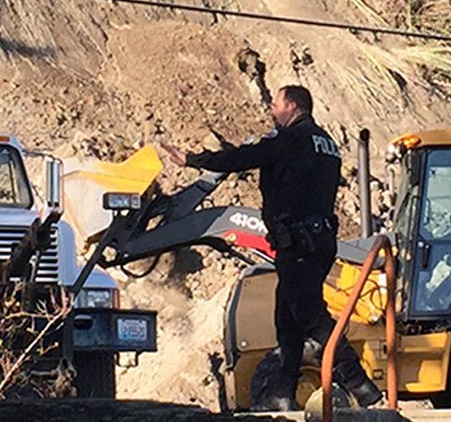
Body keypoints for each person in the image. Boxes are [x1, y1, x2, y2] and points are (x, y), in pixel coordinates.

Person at [161, 85, 381, 411]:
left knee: (309, 314)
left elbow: (243, 158)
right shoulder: (327, 143)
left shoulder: (290, 139)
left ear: (292, 106)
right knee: (287, 317)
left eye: (276, 104)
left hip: (299, 242)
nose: (272, 110)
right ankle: (283, 391)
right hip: (320, 240)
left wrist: (194, 160)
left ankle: (359, 382)